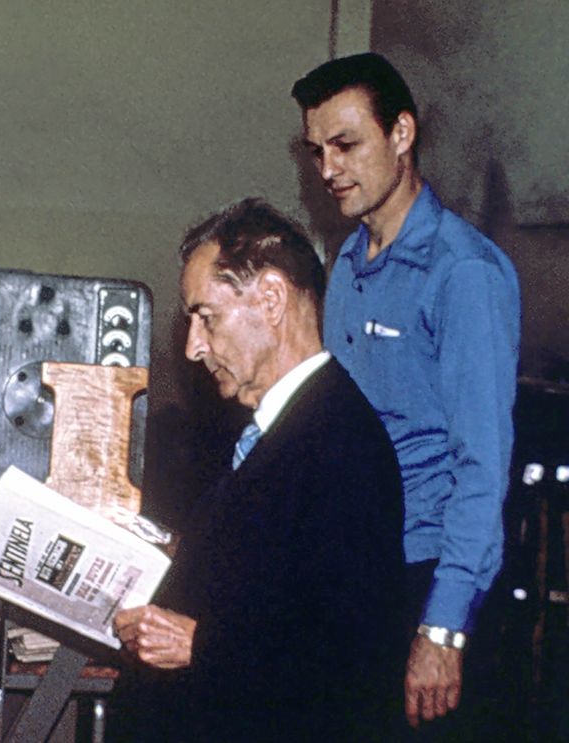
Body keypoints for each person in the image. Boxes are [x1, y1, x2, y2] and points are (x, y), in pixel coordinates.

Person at [113, 199, 407, 741]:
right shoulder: (282, 429)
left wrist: (200, 645)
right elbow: (279, 578)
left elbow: (351, 654)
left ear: (271, 299)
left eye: (207, 317)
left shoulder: (341, 443)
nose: (193, 347)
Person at [291, 53, 521, 736]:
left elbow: (482, 468)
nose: (328, 168)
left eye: (346, 144)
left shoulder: (464, 274)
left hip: (426, 583)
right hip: (355, 572)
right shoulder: (347, 263)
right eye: (317, 151)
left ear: (401, 134)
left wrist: (443, 629)